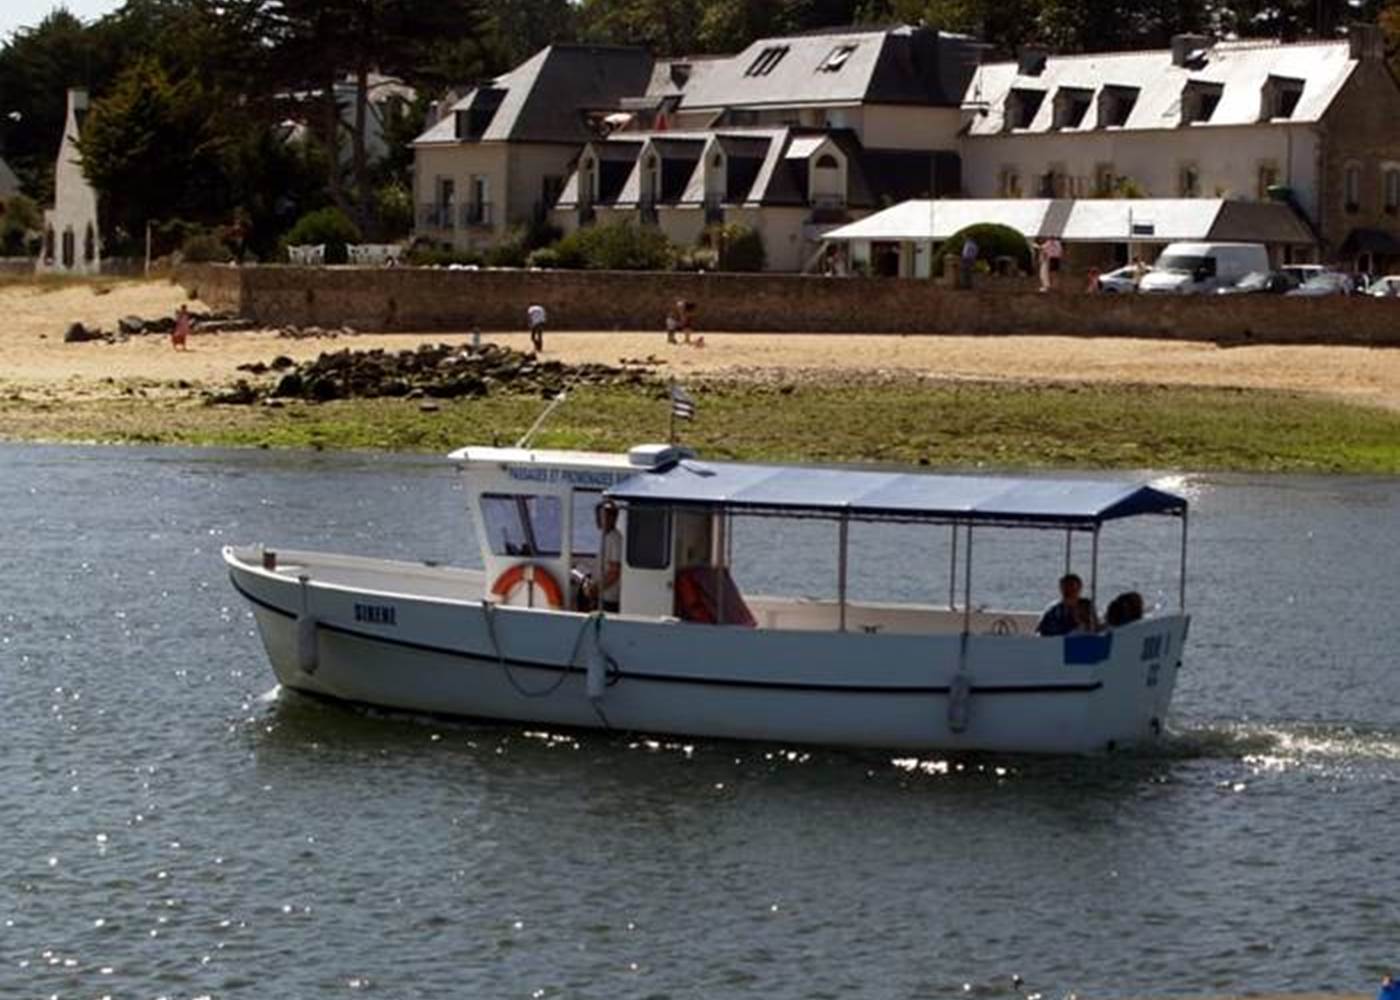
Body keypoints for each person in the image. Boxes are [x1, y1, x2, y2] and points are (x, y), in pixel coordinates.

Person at [592, 500, 623, 613]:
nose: (597, 520)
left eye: (601, 516)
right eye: (597, 516)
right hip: (602, 596)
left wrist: (595, 589)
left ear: (612, 518)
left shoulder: (615, 539)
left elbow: (614, 573)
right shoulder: (607, 537)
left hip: (608, 599)